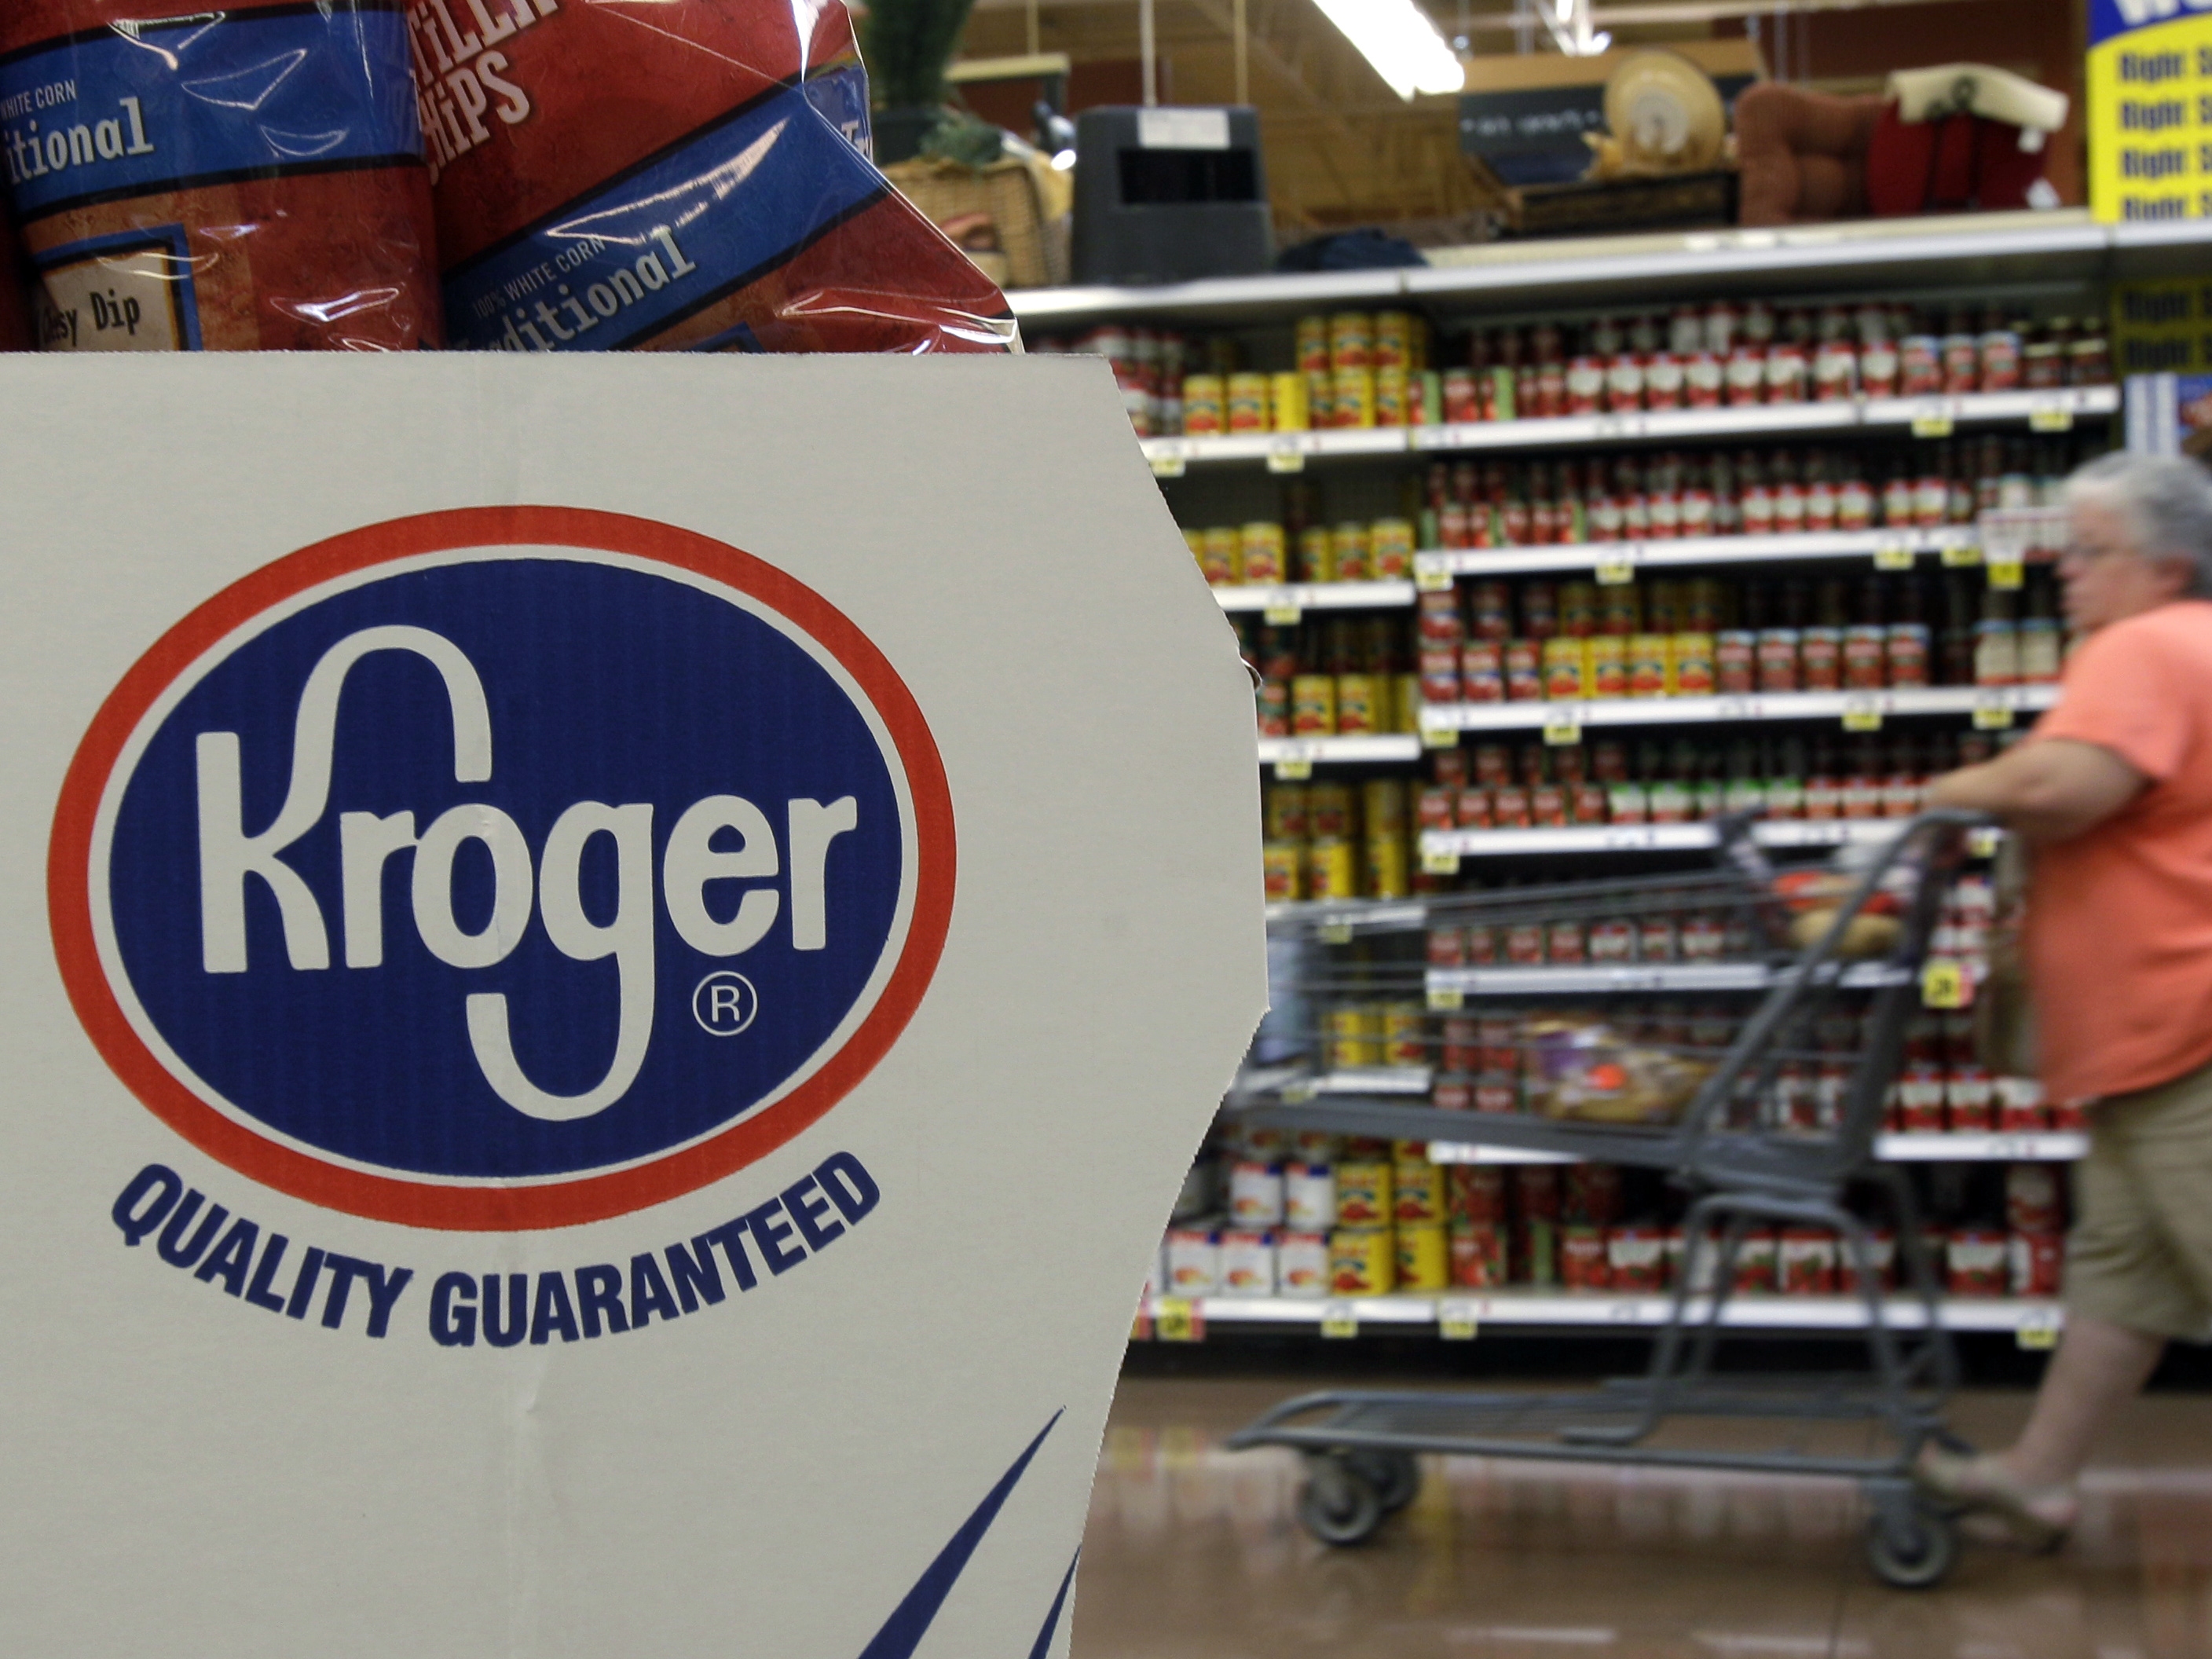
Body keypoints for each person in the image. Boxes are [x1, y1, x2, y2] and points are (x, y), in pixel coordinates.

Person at [1915, 450, 2212, 1547]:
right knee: (2124, 1272)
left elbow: (2059, 788)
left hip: (2193, 1032)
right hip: (2156, 1043)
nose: (2065, 572)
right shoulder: (2186, 645)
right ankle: (2039, 1476)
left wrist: (1943, 796)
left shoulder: (2146, 644)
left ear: (2166, 565)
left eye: (2090, 551)